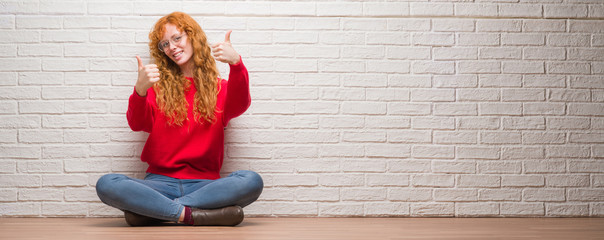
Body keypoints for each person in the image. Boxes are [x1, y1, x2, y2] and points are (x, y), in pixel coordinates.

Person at [95, 12, 263, 227]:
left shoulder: (219, 88)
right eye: (164, 44)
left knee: (251, 180)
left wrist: (236, 64)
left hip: (205, 185)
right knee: (108, 183)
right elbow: (137, 124)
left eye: (177, 38)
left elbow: (241, 104)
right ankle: (191, 215)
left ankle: (155, 211)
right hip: (159, 182)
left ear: (193, 38)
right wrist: (139, 91)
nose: (171, 47)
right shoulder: (156, 88)